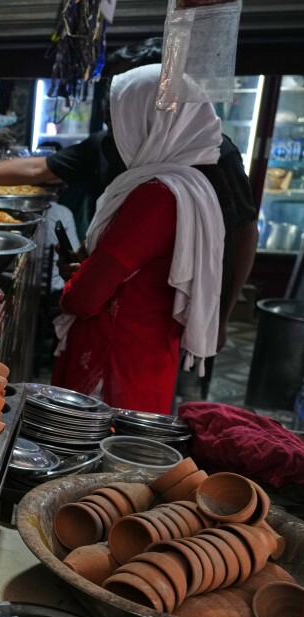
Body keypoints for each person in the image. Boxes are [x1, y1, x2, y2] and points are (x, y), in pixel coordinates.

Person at [0, 38, 257, 356]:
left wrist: (220, 315)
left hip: (148, 324)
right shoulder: (117, 145)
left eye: (121, 90)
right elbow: (40, 169)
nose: (109, 105)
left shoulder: (189, 170)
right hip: (119, 318)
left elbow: (243, 233)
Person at [50, 64, 230, 413]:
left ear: (151, 124)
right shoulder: (190, 184)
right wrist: (86, 267)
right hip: (145, 360)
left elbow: (85, 297)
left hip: (115, 370)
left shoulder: (156, 197)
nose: (113, 140)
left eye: (116, 126)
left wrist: (77, 281)